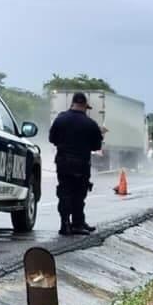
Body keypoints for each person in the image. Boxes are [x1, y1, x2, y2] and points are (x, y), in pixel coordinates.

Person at [48, 92, 105, 235]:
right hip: (81, 163)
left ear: (72, 103)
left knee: (64, 192)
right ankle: (77, 223)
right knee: (79, 194)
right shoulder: (90, 124)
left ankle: (65, 224)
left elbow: (52, 139)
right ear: (85, 105)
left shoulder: (60, 120)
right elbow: (96, 146)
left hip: (63, 163)